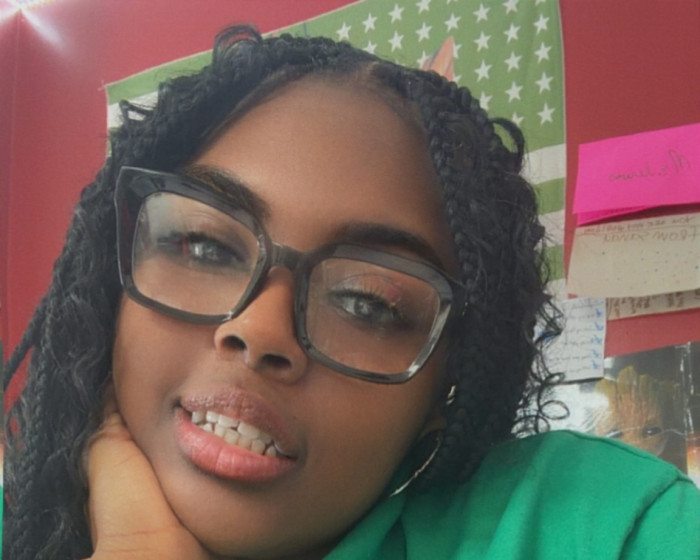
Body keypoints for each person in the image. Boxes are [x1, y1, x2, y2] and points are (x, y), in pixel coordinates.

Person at [4, 25, 699, 560]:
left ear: (442, 393)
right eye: (204, 245)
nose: (261, 329)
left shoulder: (602, 527)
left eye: (368, 303)